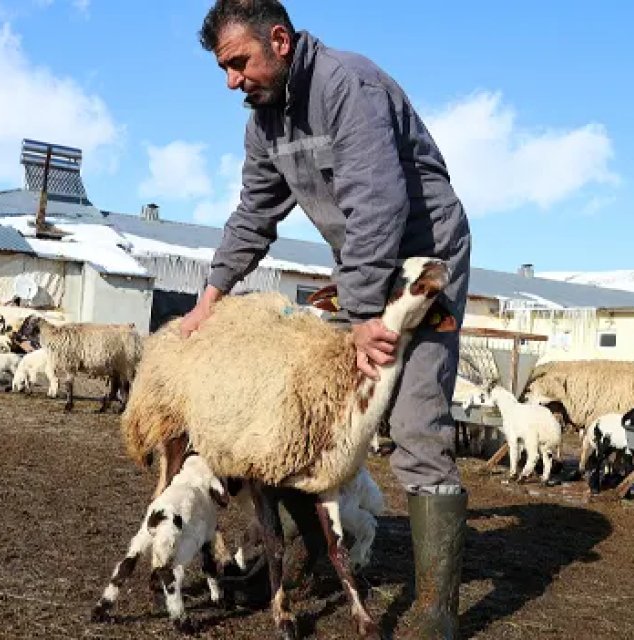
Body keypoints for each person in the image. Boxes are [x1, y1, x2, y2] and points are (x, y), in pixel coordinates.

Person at [182, 1, 473, 636]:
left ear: (279, 41)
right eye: (224, 69)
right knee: (303, 417)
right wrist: (211, 294)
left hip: (422, 260)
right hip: (364, 263)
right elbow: (254, 213)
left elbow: (378, 201)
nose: (232, 79)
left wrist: (368, 313)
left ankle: (435, 608)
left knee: (415, 418)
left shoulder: (349, 87)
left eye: (239, 62)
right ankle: (312, 560)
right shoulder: (265, 123)